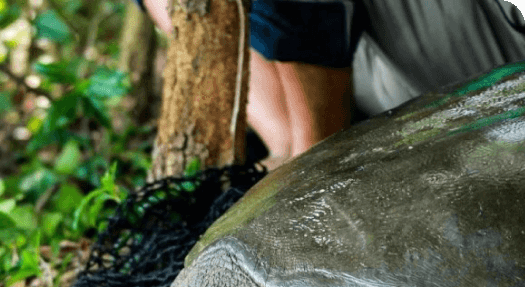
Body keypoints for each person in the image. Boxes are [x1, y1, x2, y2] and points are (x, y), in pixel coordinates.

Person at [134, 0, 525, 169]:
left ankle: (315, 164)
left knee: (313, 175)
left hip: (500, 61)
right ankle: (287, 150)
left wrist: (313, 170)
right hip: (394, 74)